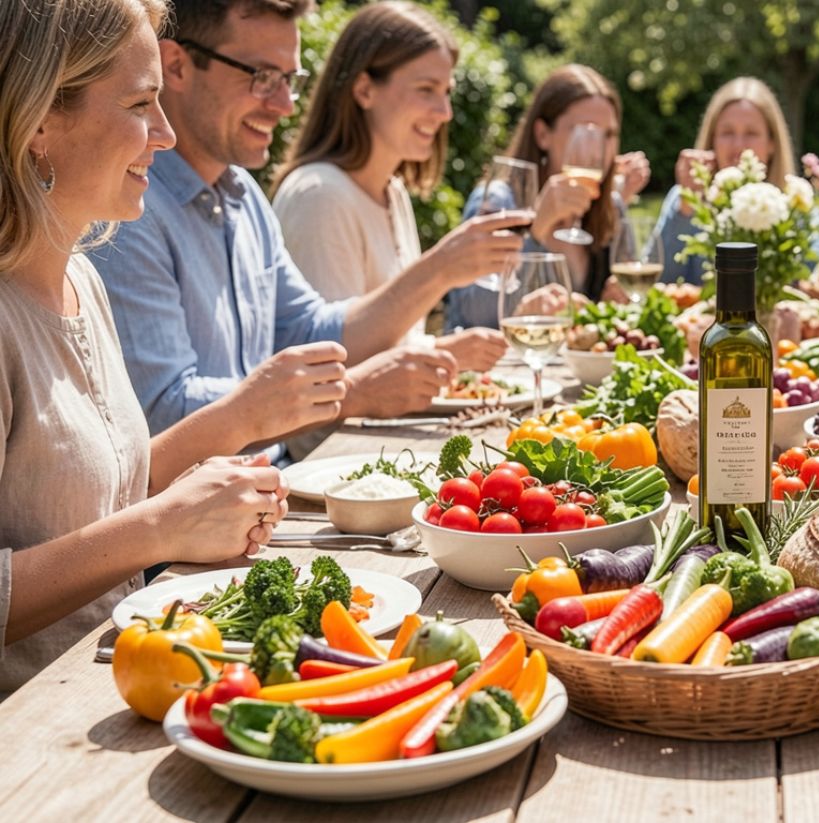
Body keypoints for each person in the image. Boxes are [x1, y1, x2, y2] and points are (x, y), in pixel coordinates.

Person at [0, 0, 291, 695]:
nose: (163, 134)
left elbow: (83, 497)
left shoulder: (82, 277)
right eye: (140, 103)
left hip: (124, 689)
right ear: (39, 118)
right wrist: (163, 526)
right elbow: (130, 529)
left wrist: (203, 495)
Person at [87, 0, 525, 459]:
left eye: (290, 80)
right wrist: (352, 392)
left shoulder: (243, 196)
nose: (284, 104)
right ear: (175, 65)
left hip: (268, 494)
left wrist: (440, 273)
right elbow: (164, 416)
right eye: (261, 76)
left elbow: (311, 330)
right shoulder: (127, 211)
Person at [271, 1, 507, 394]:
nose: (445, 111)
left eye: (446, 91)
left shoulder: (391, 191)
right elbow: (326, 363)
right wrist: (441, 269)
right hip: (337, 449)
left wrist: (443, 349)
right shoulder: (320, 196)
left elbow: (386, 345)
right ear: (364, 89)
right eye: (426, 90)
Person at [446, 64, 644, 328]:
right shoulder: (500, 201)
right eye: (584, 132)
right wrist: (536, 228)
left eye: (608, 135)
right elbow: (475, 315)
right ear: (542, 134)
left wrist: (613, 308)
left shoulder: (612, 208)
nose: (598, 149)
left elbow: (627, 313)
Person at [654, 76, 819, 285]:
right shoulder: (684, 200)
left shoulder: (795, 204)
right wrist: (685, 209)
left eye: (751, 133)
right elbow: (657, 281)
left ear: (772, 143)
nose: (738, 145)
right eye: (727, 132)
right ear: (712, 139)